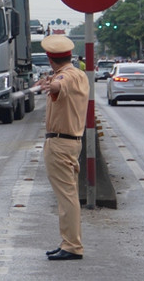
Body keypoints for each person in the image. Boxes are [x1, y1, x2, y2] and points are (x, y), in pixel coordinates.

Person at [36, 35, 89, 261]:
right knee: (68, 195)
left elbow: (60, 85)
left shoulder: (66, 77)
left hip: (60, 143)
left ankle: (72, 245)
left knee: (66, 197)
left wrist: (52, 84)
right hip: (71, 142)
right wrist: (51, 83)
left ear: (49, 59)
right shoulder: (79, 74)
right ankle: (68, 241)